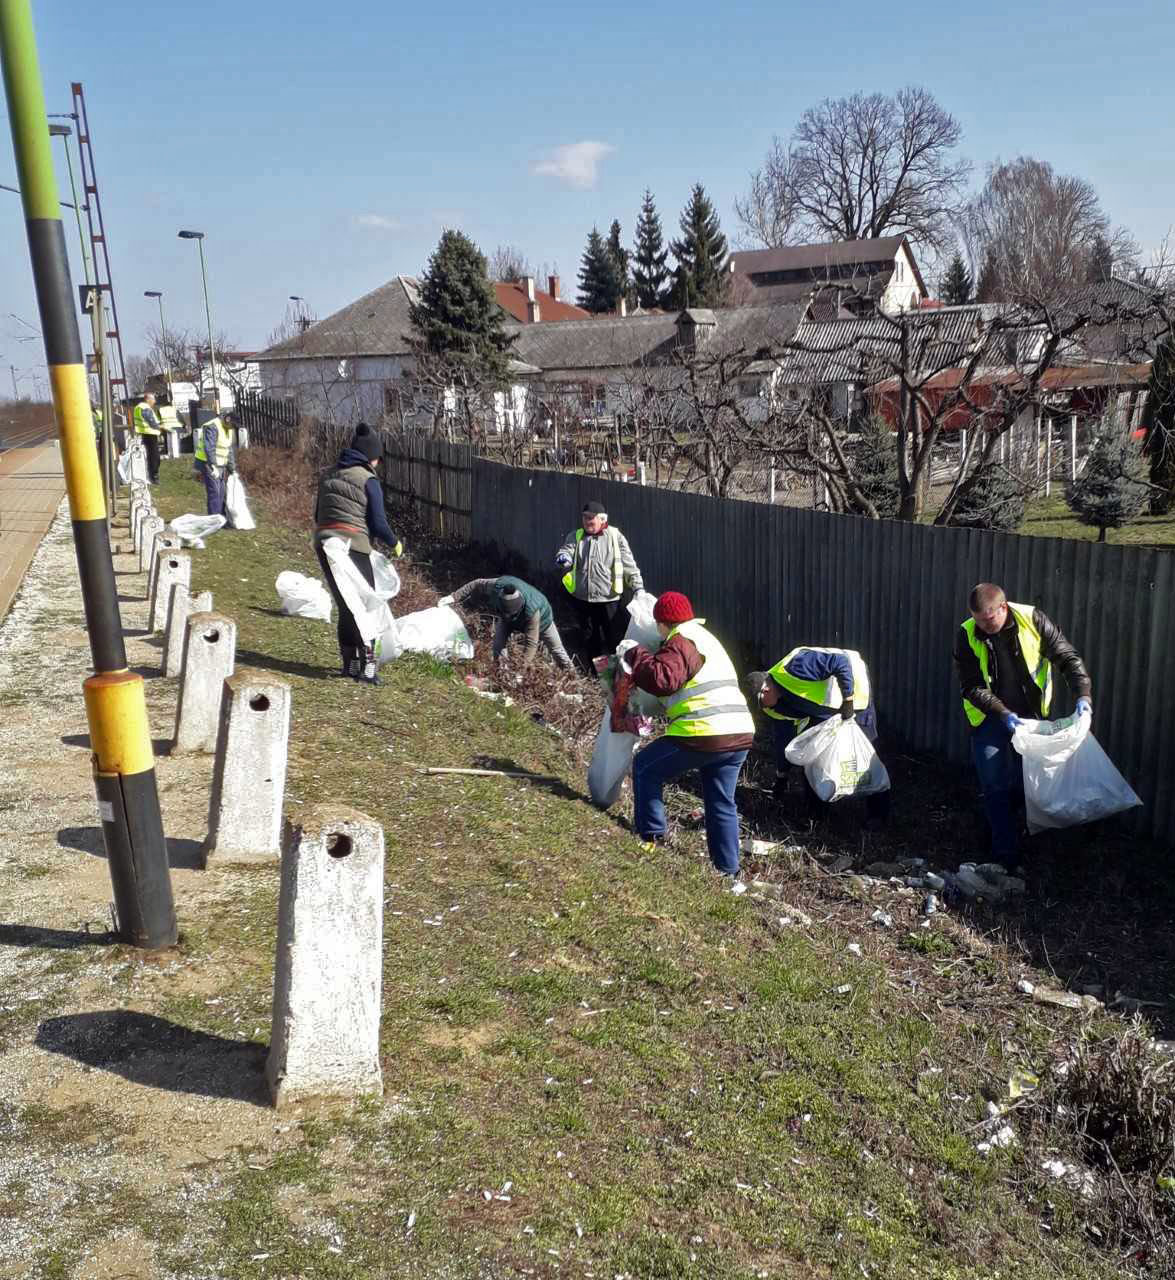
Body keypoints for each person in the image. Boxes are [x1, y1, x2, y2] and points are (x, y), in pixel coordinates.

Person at [953, 582, 1092, 861]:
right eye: (977, 620)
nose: (982, 626)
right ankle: (1004, 854)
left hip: (1031, 719)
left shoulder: (1033, 620)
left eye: (988, 620)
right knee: (992, 783)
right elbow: (970, 686)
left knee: (1025, 783)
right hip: (989, 718)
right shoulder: (967, 632)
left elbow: (1067, 658)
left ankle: (1004, 827)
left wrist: (1083, 697)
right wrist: (1003, 714)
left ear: (1003, 607)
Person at [622, 591, 755, 879]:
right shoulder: (707, 638)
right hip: (740, 731)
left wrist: (635, 653)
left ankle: (650, 838)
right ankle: (728, 871)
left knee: (646, 766)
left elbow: (663, 680)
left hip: (705, 731)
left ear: (662, 623)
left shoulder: (680, 641)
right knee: (721, 801)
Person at [746, 647, 889, 827]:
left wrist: (848, 700)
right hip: (825, 710)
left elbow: (840, 662)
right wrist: (782, 776)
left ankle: (878, 814)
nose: (762, 709)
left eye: (760, 704)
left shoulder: (796, 666)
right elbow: (785, 738)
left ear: (765, 690)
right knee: (812, 756)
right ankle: (817, 814)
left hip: (855, 694)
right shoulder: (775, 707)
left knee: (865, 752)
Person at [313, 423, 403, 684]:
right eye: (378, 459)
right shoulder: (368, 479)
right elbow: (378, 523)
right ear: (371, 456)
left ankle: (349, 665)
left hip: (325, 543)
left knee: (345, 605)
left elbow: (317, 515)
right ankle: (368, 670)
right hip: (353, 545)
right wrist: (394, 543)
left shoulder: (328, 474)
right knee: (366, 605)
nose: (377, 464)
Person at [555, 499, 643, 664]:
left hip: (609, 600)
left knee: (614, 639)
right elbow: (567, 550)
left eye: (591, 518)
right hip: (583, 600)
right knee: (589, 639)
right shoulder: (576, 536)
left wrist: (638, 587)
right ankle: (594, 675)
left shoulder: (615, 537)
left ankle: (618, 674)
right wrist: (563, 558)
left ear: (602, 519)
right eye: (585, 517)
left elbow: (629, 564)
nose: (587, 521)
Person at [441, 576, 572, 670]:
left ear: (520, 607)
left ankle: (572, 677)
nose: (510, 616)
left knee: (557, 650)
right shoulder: (497, 587)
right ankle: (502, 673)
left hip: (543, 621)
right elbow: (476, 583)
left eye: (512, 614)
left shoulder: (533, 611)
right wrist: (453, 596)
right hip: (506, 619)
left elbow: (531, 644)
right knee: (498, 644)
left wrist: (521, 670)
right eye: (506, 613)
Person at [193, 399, 235, 523]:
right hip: (208, 463)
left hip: (221, 464)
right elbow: (209, 447)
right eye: (232, 424)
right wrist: (212, 465)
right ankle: (214, 520)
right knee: (214, 491)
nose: (233, 427)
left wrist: (232, 468)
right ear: (227, 419)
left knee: (221, 491)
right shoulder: (212, 426)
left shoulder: (229, 428)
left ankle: (220, 518)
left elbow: (229, 449)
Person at [132, 392, 162, 483]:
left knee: (150, 455)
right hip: (150, 434)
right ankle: (154, 476)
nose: (154, 401)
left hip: (145, 433)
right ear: (148, 399)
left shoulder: (139, 407)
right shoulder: (145, 408)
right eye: (153, 399)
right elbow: (151, 421)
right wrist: (160, 427)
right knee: (154, 456)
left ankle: (151, 475)